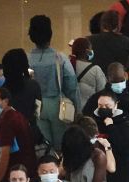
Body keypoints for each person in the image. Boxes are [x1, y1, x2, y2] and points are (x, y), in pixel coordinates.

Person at [27, 15, 79, 148]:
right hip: (58, 105)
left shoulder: (27, 59)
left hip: (36, 106)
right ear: (50, 34)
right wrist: (77, 110)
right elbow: (72, 86)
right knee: (61, 145)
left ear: (31, 35)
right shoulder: (60, 58)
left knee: (44, 146)